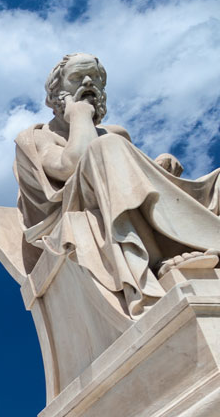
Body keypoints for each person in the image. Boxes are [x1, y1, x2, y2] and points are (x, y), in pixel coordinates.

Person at [15, 53, 220, 316]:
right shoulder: (37, 137)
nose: (88, 82)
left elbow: (127, 185)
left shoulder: (115, 133)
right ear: (56, 93)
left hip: (114, 197)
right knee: (104, 147)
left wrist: (157, 168)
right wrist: (80, 115)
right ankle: (159, 260)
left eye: (94, 77)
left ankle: (193, 240)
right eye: (77, 77)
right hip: (73, 205)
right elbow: (72, 164)